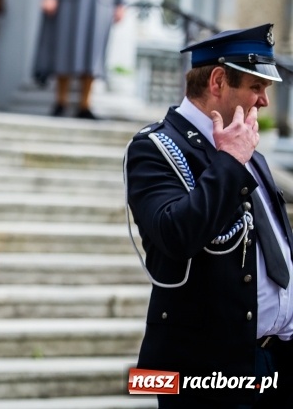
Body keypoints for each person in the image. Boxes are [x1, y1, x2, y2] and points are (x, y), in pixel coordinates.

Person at [125, 23, 293, 408]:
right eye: (256, 87)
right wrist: (229, 160)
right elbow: (175, 235)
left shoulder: (249, 148)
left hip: (272, 358)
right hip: (204, 370)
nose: (264, 101)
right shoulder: (155, 147)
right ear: (218, 81)